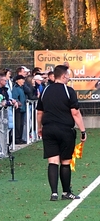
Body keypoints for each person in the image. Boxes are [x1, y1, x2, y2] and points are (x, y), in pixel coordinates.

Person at [37, 64, 87, 200]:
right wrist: (83, 131)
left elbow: (40, 112)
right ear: (64, 76)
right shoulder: (68, 91)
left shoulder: (46, 90)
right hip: (65, 130)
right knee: (65, 161)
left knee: (52, 161)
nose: (69, 78)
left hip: (48, 129)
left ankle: (54, 193)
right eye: (68, 76)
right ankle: (66, 192)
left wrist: (39, 127)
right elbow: (75, 113)